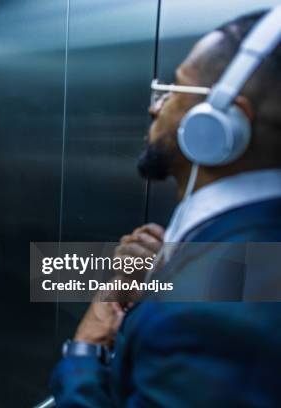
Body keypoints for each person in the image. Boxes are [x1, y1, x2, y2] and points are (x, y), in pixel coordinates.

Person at [50, 9, 281, 407]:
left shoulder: (204, 320)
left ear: (222, 123)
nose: (156, 107)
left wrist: (87, 345)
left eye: (174, 89)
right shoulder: (245, 243)